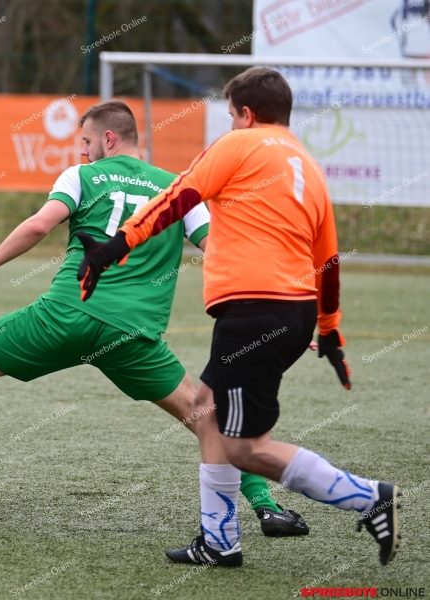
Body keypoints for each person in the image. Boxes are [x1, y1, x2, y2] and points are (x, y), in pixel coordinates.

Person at [0, 100, 308, 538]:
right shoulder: (182, 188)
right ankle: (267, 507)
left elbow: (37, 226)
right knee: (207, 416)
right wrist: (279, 302)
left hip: (64, 316)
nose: (83, 152)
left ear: (108, 138)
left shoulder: (82, 176)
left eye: (86, 142)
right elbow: (223, 251)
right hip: (132, 334)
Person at [76, 69, 400, 567]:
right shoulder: (309, 167)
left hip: (255, 311)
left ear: (246, 114)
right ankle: (220, 541)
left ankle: (368, 497)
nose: (229, 123)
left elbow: (175, 199)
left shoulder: (238, 145)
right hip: (289, 312)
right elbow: (328, 261)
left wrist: (113, 248)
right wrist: (330, 330)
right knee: (207, 410)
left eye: (230, 114)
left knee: (245, 447)